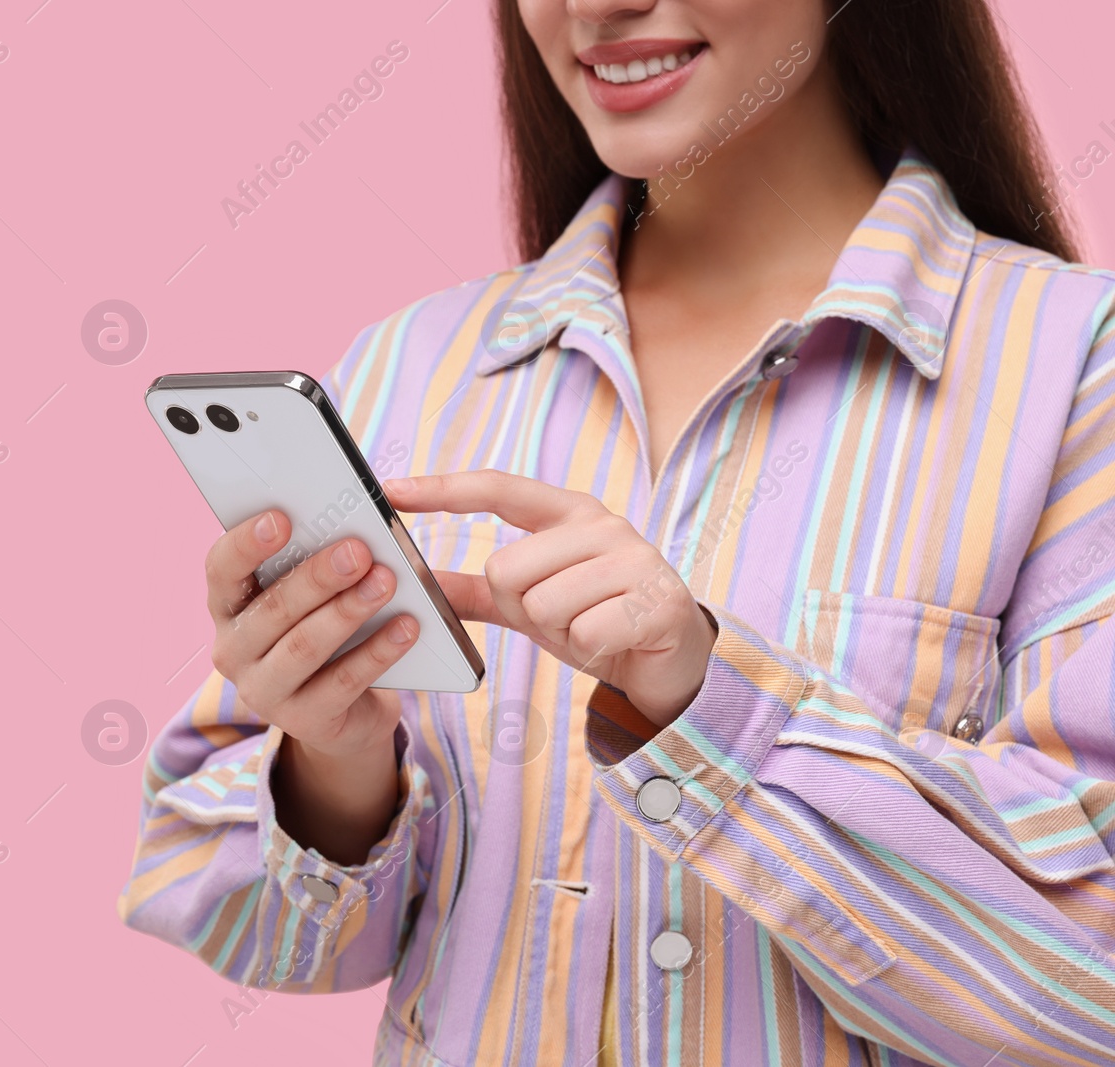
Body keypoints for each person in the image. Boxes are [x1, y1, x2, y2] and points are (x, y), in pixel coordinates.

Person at [119, 0, 1115, 1062]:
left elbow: (1086, 985)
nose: (594, 4)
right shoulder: (413, 364)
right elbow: (230, 905)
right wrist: (336, 766)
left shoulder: (1072, 371)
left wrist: (711, 706)